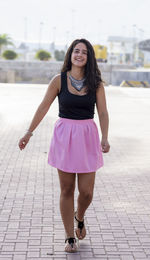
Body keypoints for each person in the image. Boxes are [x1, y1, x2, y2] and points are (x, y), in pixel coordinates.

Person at [18, 38, 110, 253]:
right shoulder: (58, 80)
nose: (79, 55)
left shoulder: (96, 83)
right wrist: (28, 132)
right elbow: (43, 107)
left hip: (87, 136)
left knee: (86, 192)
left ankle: (80, 216)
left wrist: (105, 138)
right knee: (67, 189)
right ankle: (69, 236)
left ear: (89, 58)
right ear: (70, 54)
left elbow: (103, 112)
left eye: (84, 52)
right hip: (64, 137)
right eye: (76, 51)